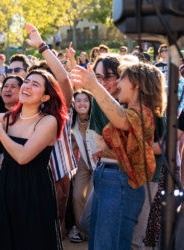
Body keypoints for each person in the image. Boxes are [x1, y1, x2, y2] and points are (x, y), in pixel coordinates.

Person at [0, 68, 67, 250]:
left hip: (35, 191)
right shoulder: (6, 118)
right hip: (8, 187)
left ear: (45, 97)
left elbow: (23, 156)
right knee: (8, 239)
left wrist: (1, 134)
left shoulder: (48, 121)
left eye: (35, 85)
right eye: (27, 82)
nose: (27, 86)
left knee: (34, 241)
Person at [71, 61, 166, 250]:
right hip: (107, 174)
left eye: (121, 78)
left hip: (125, 179)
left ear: (136, 84)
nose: (117, 83)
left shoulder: (145, 112)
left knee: (119, 242)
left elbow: (123, 122)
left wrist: (94, 86)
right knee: (100, 237)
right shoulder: (125, 108)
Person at [70, 90, 98, 243]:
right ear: (73, 105)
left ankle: (92, 230)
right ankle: (81, 231)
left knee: (90, 198)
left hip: (99, 163)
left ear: (91, 102)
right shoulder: (72, 121)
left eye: (85, 100)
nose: (81, 103)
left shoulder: (97, 118)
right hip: (84, 162)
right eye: (78, 100)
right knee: (77, 195)